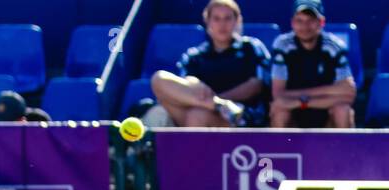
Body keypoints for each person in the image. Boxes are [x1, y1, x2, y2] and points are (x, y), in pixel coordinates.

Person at [151, 0, 270, 128]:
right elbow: (187, 82)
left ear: (237, 21)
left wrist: (217, 99)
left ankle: (219, 107)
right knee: (159, 79)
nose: (222, 24)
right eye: (216, 19)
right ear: (207, 22)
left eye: (227, 18)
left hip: (241, 117)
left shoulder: (251, 47)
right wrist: (215, 103)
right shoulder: (194, 55)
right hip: (198, 108)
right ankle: (219, 105)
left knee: (197, 115)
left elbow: (256, 85)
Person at [269, 1, 355, 128]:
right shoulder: (282, 45)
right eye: (300, 20)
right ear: (292, 23)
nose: (305, 26)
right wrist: (330, 92)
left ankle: (345, 148)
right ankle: (280, 148)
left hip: (322, 112)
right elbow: (278, 95)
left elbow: (349, 93)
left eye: (311, 20)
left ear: (321, 22)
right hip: (296, 113)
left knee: (343, 110)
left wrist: (302, 101)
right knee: (279, 111)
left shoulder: (334, 46)